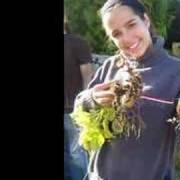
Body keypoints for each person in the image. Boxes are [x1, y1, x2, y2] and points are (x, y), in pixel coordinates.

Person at [73, 0, 180, 179]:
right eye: (117, 34)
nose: (126, 38)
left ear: (146, 20)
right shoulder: (110, 66)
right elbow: (79, 106)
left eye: (131, 24)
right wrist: (91, 98)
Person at [64, 13, 95, 180]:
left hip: (72, 110)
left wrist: (85, 108)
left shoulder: (77, 43)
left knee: (76, 153)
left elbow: (88, 75)